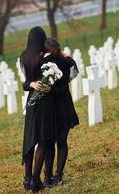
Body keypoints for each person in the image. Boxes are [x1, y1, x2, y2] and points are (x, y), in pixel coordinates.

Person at [20, 27, 56, 192]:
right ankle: (35, 179)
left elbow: (26, 83)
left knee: (29, 139)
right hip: (44, 102)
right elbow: (48, 81)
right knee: (42, 140)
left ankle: (27, 180)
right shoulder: (44, 57)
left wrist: (31, 84)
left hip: (31, 103)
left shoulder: (24, 56)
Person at [42, 38, 80, 187]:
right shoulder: (65, 61)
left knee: (49, 144)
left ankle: (47, 177)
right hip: (64, 104)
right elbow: (72, 65)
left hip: (50, 107)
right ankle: (58, 175)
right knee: (62, 142)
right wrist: (65, 55)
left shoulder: (43, 63)